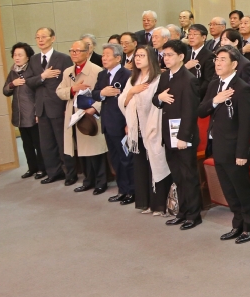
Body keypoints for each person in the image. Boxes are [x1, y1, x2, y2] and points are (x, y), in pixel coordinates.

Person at [198, 45, 250, 244]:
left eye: (223, 59)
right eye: (217, 59)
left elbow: (245, 124)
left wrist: (242, 153)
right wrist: (214, 101)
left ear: (234, 64)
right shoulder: (214, 84)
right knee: (228, 189)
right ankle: (238, 224)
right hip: (217, 145)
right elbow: (201, 111)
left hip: (235, 149)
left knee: (242, 189)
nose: (218, 62)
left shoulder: (241, 88)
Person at [153, 40, 202, 230]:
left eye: (170, 55)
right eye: (164, 55)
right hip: (168, 134)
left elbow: (190, 111)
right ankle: (182, 212)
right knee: (177, 176)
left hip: (183, 136)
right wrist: (159, 98)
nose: (166, 58)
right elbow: (155, 99)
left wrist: (184, 137)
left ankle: (193, 215)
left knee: (188, 176)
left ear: (181, 57)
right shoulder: (165, 77)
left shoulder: (189, 79)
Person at [119, 46, 171, 215]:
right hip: (137, 129)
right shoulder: (133, 78)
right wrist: (132, 92)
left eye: (142, 55)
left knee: (156, 164)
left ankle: (159, 205)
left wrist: (135, 96)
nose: (138, 59)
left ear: (151, 58)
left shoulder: (158, 77)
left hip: (153, 127)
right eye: (136, 56)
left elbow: (155, 102)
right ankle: (146, 202)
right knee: (141, 166)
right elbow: (123, 101)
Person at [57, 39, 108, 194]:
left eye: (77, 51)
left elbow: (104, 95)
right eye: (71, 51)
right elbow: (59, 91)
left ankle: (101, 182)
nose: (74, 54)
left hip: (90, 115)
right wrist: (73, 89)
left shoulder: (97, 71)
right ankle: (88, 180)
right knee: (81, 151)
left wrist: (93, 109)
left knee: (95, 150)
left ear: (87, 52)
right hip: (74, 114)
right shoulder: (68, 72)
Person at [27, 28, 75, 184]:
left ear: (53, 38)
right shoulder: (33, 60)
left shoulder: (63, 58)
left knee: (63, 143)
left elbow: (70, 82)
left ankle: (70, 174)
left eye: (43, 37)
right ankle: (54, 173)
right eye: (37, 37)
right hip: (41, 107)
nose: (40, 40)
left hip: (59, 106)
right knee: (46, 144)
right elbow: (29, 82)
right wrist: (43, 76)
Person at [92, 43, 134, 203]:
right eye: (103, 55)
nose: (104, 58)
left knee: (127, 159)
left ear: (118, 58)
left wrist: (129, 123)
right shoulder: (102, 75)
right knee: (115, 159)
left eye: (108, 55)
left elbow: (130, 101)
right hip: (107, 123)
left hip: (122, 123)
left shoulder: (127, 75)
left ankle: (132, 190)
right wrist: (102, 93)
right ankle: (122, 189)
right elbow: (95, 93)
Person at [4, 42, 44, 178]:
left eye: (20, 55)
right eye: (15, 55)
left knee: (37, 143)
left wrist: (37, 111)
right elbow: (5, 91)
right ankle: (31, 168)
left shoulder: (32, 71)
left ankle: (41, 168)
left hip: (32, 113)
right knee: (26, 144)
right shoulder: (13, 71)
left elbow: (39, 92)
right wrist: (12, 84)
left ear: (28, 57)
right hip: (19, 114)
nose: (17, 57)